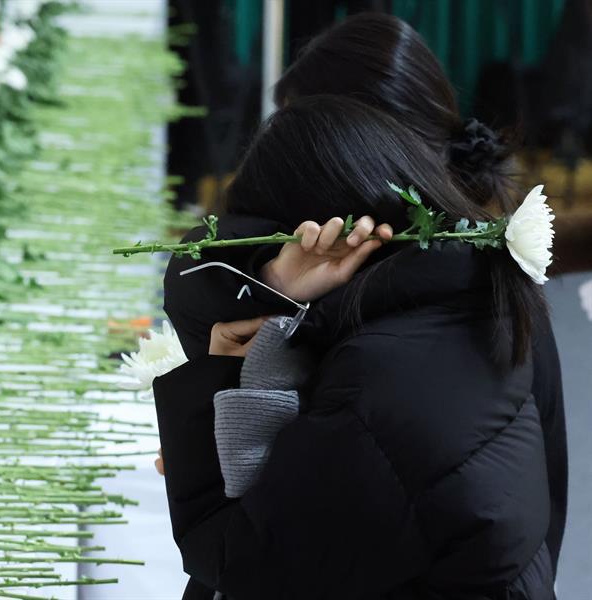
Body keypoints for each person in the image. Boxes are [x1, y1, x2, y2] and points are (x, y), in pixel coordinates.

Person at [161, 13, 566, 596]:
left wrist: (200, 432)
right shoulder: (479, 284)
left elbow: (233, 557)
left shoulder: (379, 381)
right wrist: (275, 281)